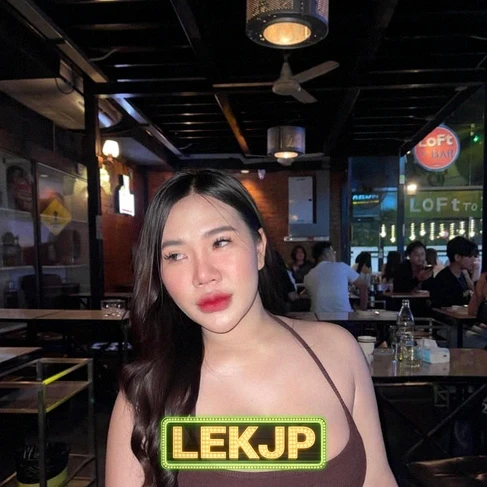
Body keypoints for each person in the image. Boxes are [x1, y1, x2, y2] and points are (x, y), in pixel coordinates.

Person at [105, 169, 396, 487]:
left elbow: (377, 478)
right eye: (175, 255)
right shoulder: (145, 396)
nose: (203, 274)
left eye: (220, 242)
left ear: (259, 249)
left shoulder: (338, 351)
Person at [304, 241, 368, 313]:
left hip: (318, 317)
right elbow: (363, 285)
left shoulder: (308, 276)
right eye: (333, 253)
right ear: (326, 255)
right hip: (344, 316)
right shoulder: (342, 267)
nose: (335, 255)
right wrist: (362, 309)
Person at [430, 236, 478, 308]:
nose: (474, 260)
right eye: (470, 256)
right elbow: (441, 308)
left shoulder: (462, 275)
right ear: (457, 257)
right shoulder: (443, 280)